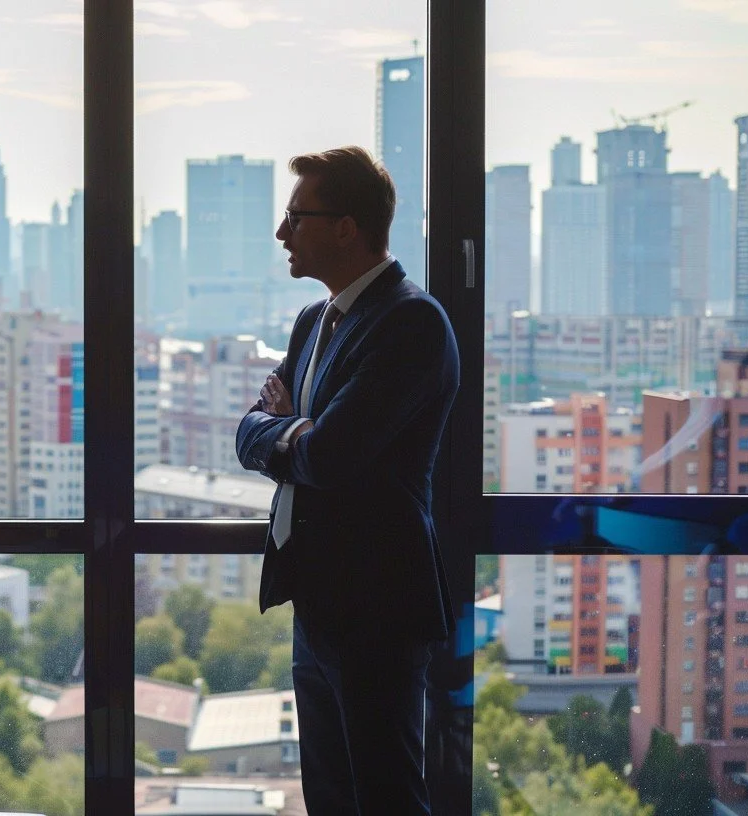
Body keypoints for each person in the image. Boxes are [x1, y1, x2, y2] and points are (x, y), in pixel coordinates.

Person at [234, 145, 459, 815]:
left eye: (295, 217)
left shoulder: (412, 323)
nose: (282, 234)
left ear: (345, 227)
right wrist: (291, 430)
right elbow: (249, 428)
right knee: (328, 797)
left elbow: (330, 456)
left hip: (381, 607)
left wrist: (295, 429)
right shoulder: (316, 320)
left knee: (385, 798)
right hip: (319, 601)